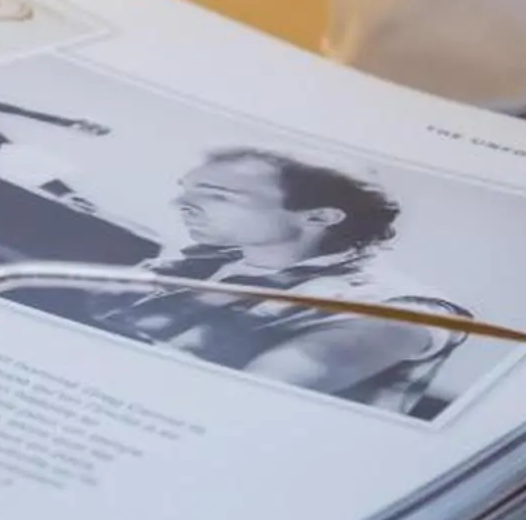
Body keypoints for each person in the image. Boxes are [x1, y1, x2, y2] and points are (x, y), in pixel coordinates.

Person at [84, 147, 475, 414]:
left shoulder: (399, 309)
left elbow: (245, 404)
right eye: (186, 190)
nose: (180, 204)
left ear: (318, 217)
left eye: (217, 196)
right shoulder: (203, 259)